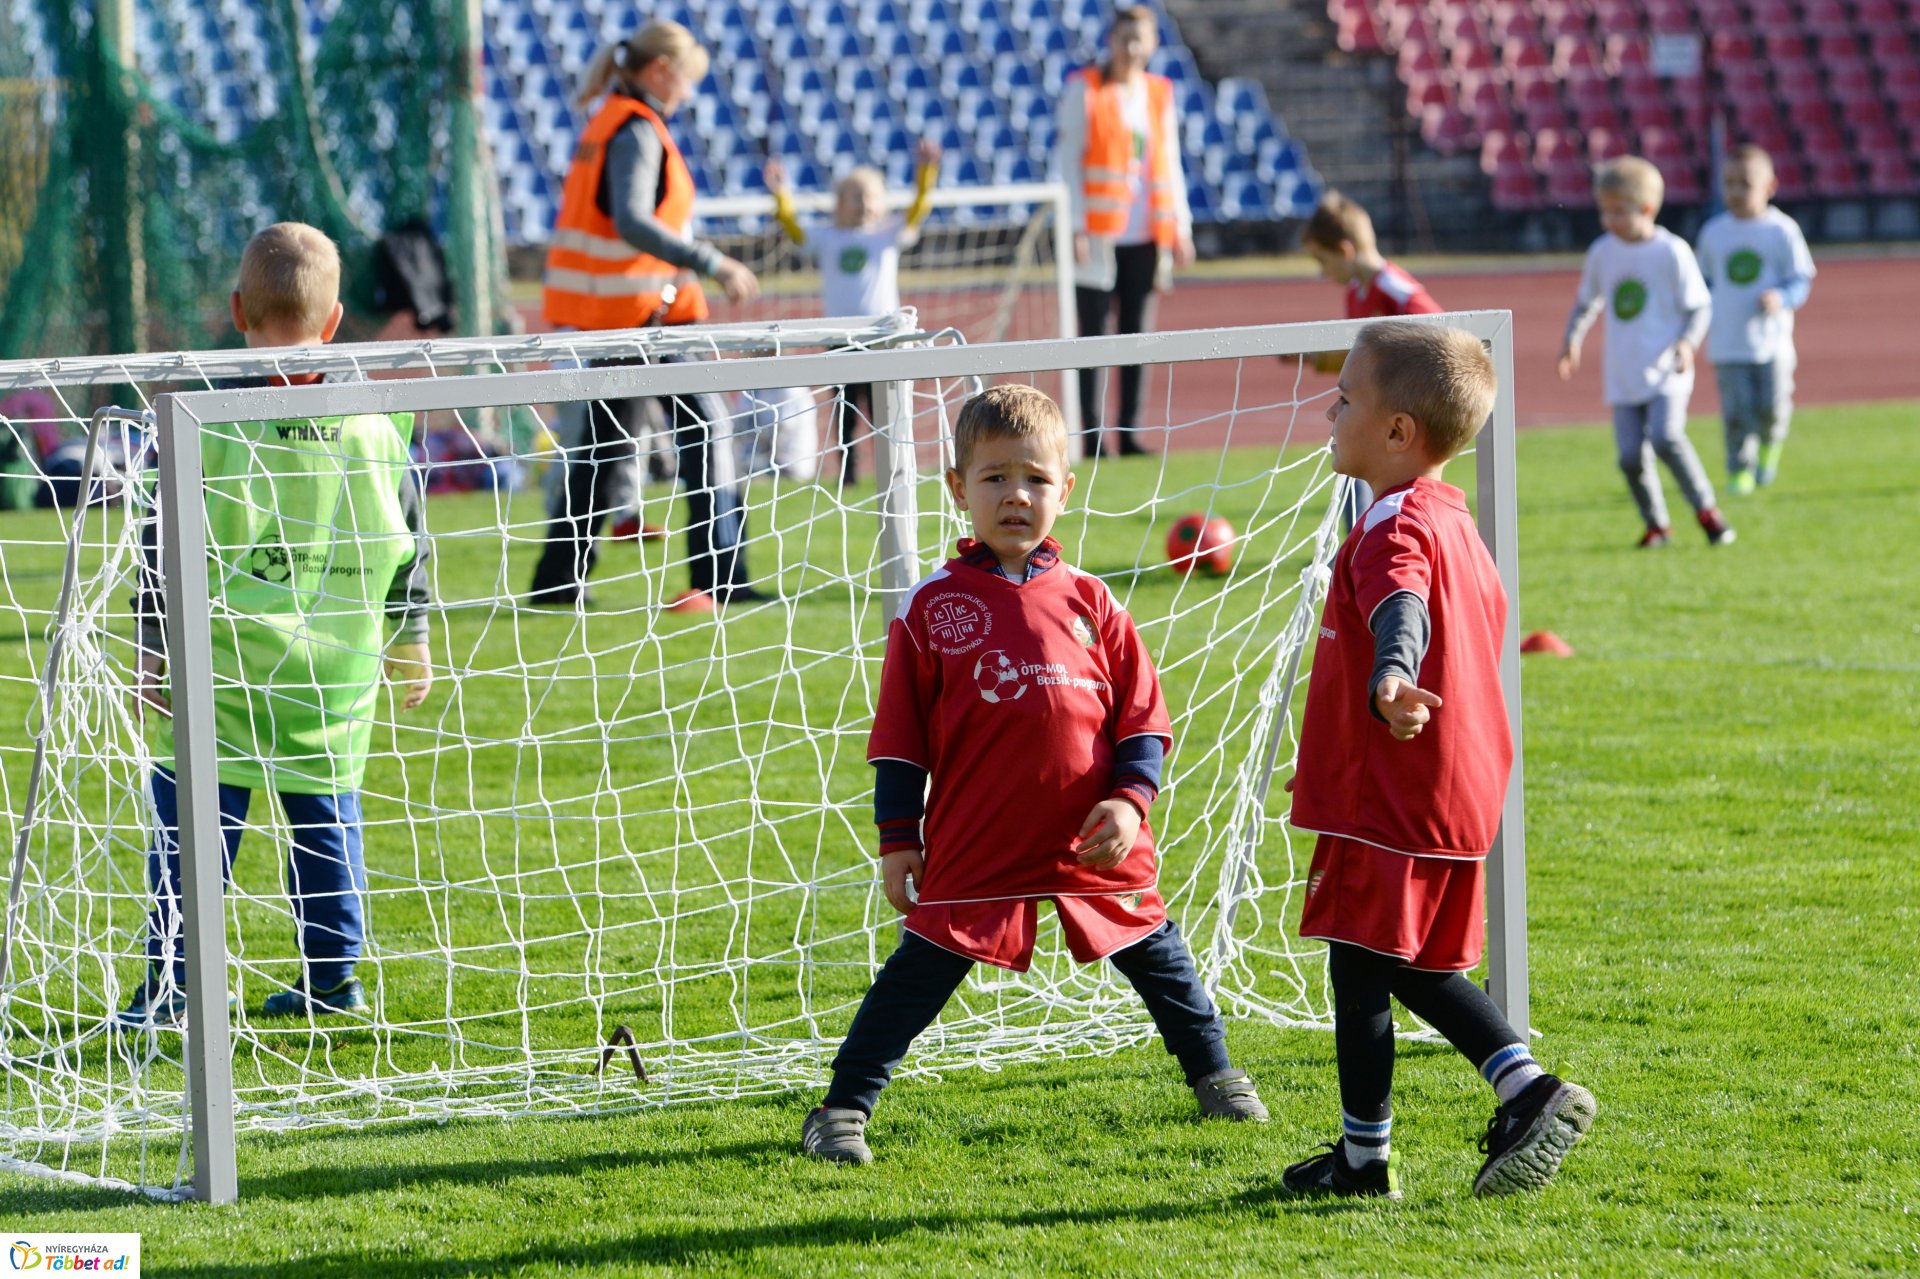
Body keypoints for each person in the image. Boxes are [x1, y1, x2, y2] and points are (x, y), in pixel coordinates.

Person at [798, 384, 1267, 1166]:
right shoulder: (929, 607)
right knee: (921, 972)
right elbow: (900, 745)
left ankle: (1216, 1074)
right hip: (979, 835)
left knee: (1159, 956)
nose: (1016, 495)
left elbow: (1143, 721)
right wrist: (896, 839)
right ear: (957, 487)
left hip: (1091, 835)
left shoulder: (1095, 601)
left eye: (1036, 479)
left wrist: (1129, 798)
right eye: (994, 477)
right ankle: (841, 1109)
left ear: (1065, 488)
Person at [1280, 322, 1596, 1199]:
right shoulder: (1455, 519)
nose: (1330, 409)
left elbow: (1401, 604)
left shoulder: (1396, 525)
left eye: (1346, 397)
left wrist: (1389, 675)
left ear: (1397, 433)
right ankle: (1368, 1155)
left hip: (1398, 784)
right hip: (1455, 785)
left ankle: (1519, 1091)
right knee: (1387, 960)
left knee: (1374, 960)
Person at [118, 222, 435, 1027]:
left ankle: (171, 987)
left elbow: (160, 547)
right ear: (335, 324)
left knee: (192, 835)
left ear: (236, 310)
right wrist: (414, 639)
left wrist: (151, 650)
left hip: (219, 669)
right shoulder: (376, 424)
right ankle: (333, 981)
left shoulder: (199, 424)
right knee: (326, 827)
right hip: (332, 678)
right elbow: (409, 543)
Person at [529, 20, 764, 608]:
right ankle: (721, 575)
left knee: (603, 450)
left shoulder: (609, 121)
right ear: (662, 70)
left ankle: (558, 580)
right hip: (645, 318)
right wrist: (713, 262)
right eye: (687, 80)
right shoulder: (636, 129)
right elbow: (634, 220)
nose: (688, 94)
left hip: (620, 314)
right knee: (707, 430)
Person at [1558, 156, 1735, 549]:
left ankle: (1707, 510)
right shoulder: (1603, 252)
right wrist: (1572, 339)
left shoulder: (1671, 252)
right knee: (1628, 458)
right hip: (1624, 372)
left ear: (1648, 209)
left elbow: (1699, 306)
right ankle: (1657, 525)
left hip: (1667, 368)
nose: (1609, 220)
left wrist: (1687, 343)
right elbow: (1588, 301)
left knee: (1667, 437)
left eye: (1619, 211)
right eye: (1604, 211)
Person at [1058, 5, 1194, 459]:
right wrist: (1075, 224)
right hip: (1097, 234)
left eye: (1141, 40)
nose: (1132, 49)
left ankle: (1129, 431)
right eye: (1124, 39)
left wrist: (1180, 226)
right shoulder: (1085, 89)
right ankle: (1093, 436)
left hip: (1146, 232)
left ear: (1153, 44)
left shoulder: (1158, 92)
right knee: (1094, 337)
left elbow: (1168, 161)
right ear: (1111, 41)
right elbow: (1068, 164)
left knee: (1137, 336)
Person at [764, 140, 941, 486]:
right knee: (845, 411)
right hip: (841, 337)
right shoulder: (827, 237)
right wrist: (781, 193)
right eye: (855, 196)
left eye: (870, 196)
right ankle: (848, 474)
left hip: (883, 338)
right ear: (839, 202)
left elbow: (918, 208)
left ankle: (895, 471)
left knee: (886, 409)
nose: (863, 204)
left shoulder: (887, 234)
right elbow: (793, 227)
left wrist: (926, 173)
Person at [1300, 189, 1445, 525]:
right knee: (1354, 472)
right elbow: (1367, 356)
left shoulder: (1395, 288)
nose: (1322, 273)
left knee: (1396, 489)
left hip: (1402, 415)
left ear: (1345, 250)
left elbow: (1441, 331)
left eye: (1322, 261)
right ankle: (1360, 541)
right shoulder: (1356, 292)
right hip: (1371, 411)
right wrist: (1317, 359)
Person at [1695, 144, 1815, 495]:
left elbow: (1800, 280)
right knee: (1736, 412)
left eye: (1744, 183)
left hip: (1772, 343)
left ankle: (1769, 449)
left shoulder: (1781, 231)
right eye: (1728, 183)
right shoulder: (1714, 233)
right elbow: (1703, 284)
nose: (1735, 192)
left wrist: (1781, 297)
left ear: (1769, 186)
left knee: (1772, 409)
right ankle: (1739, 470)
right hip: (1728, 344)